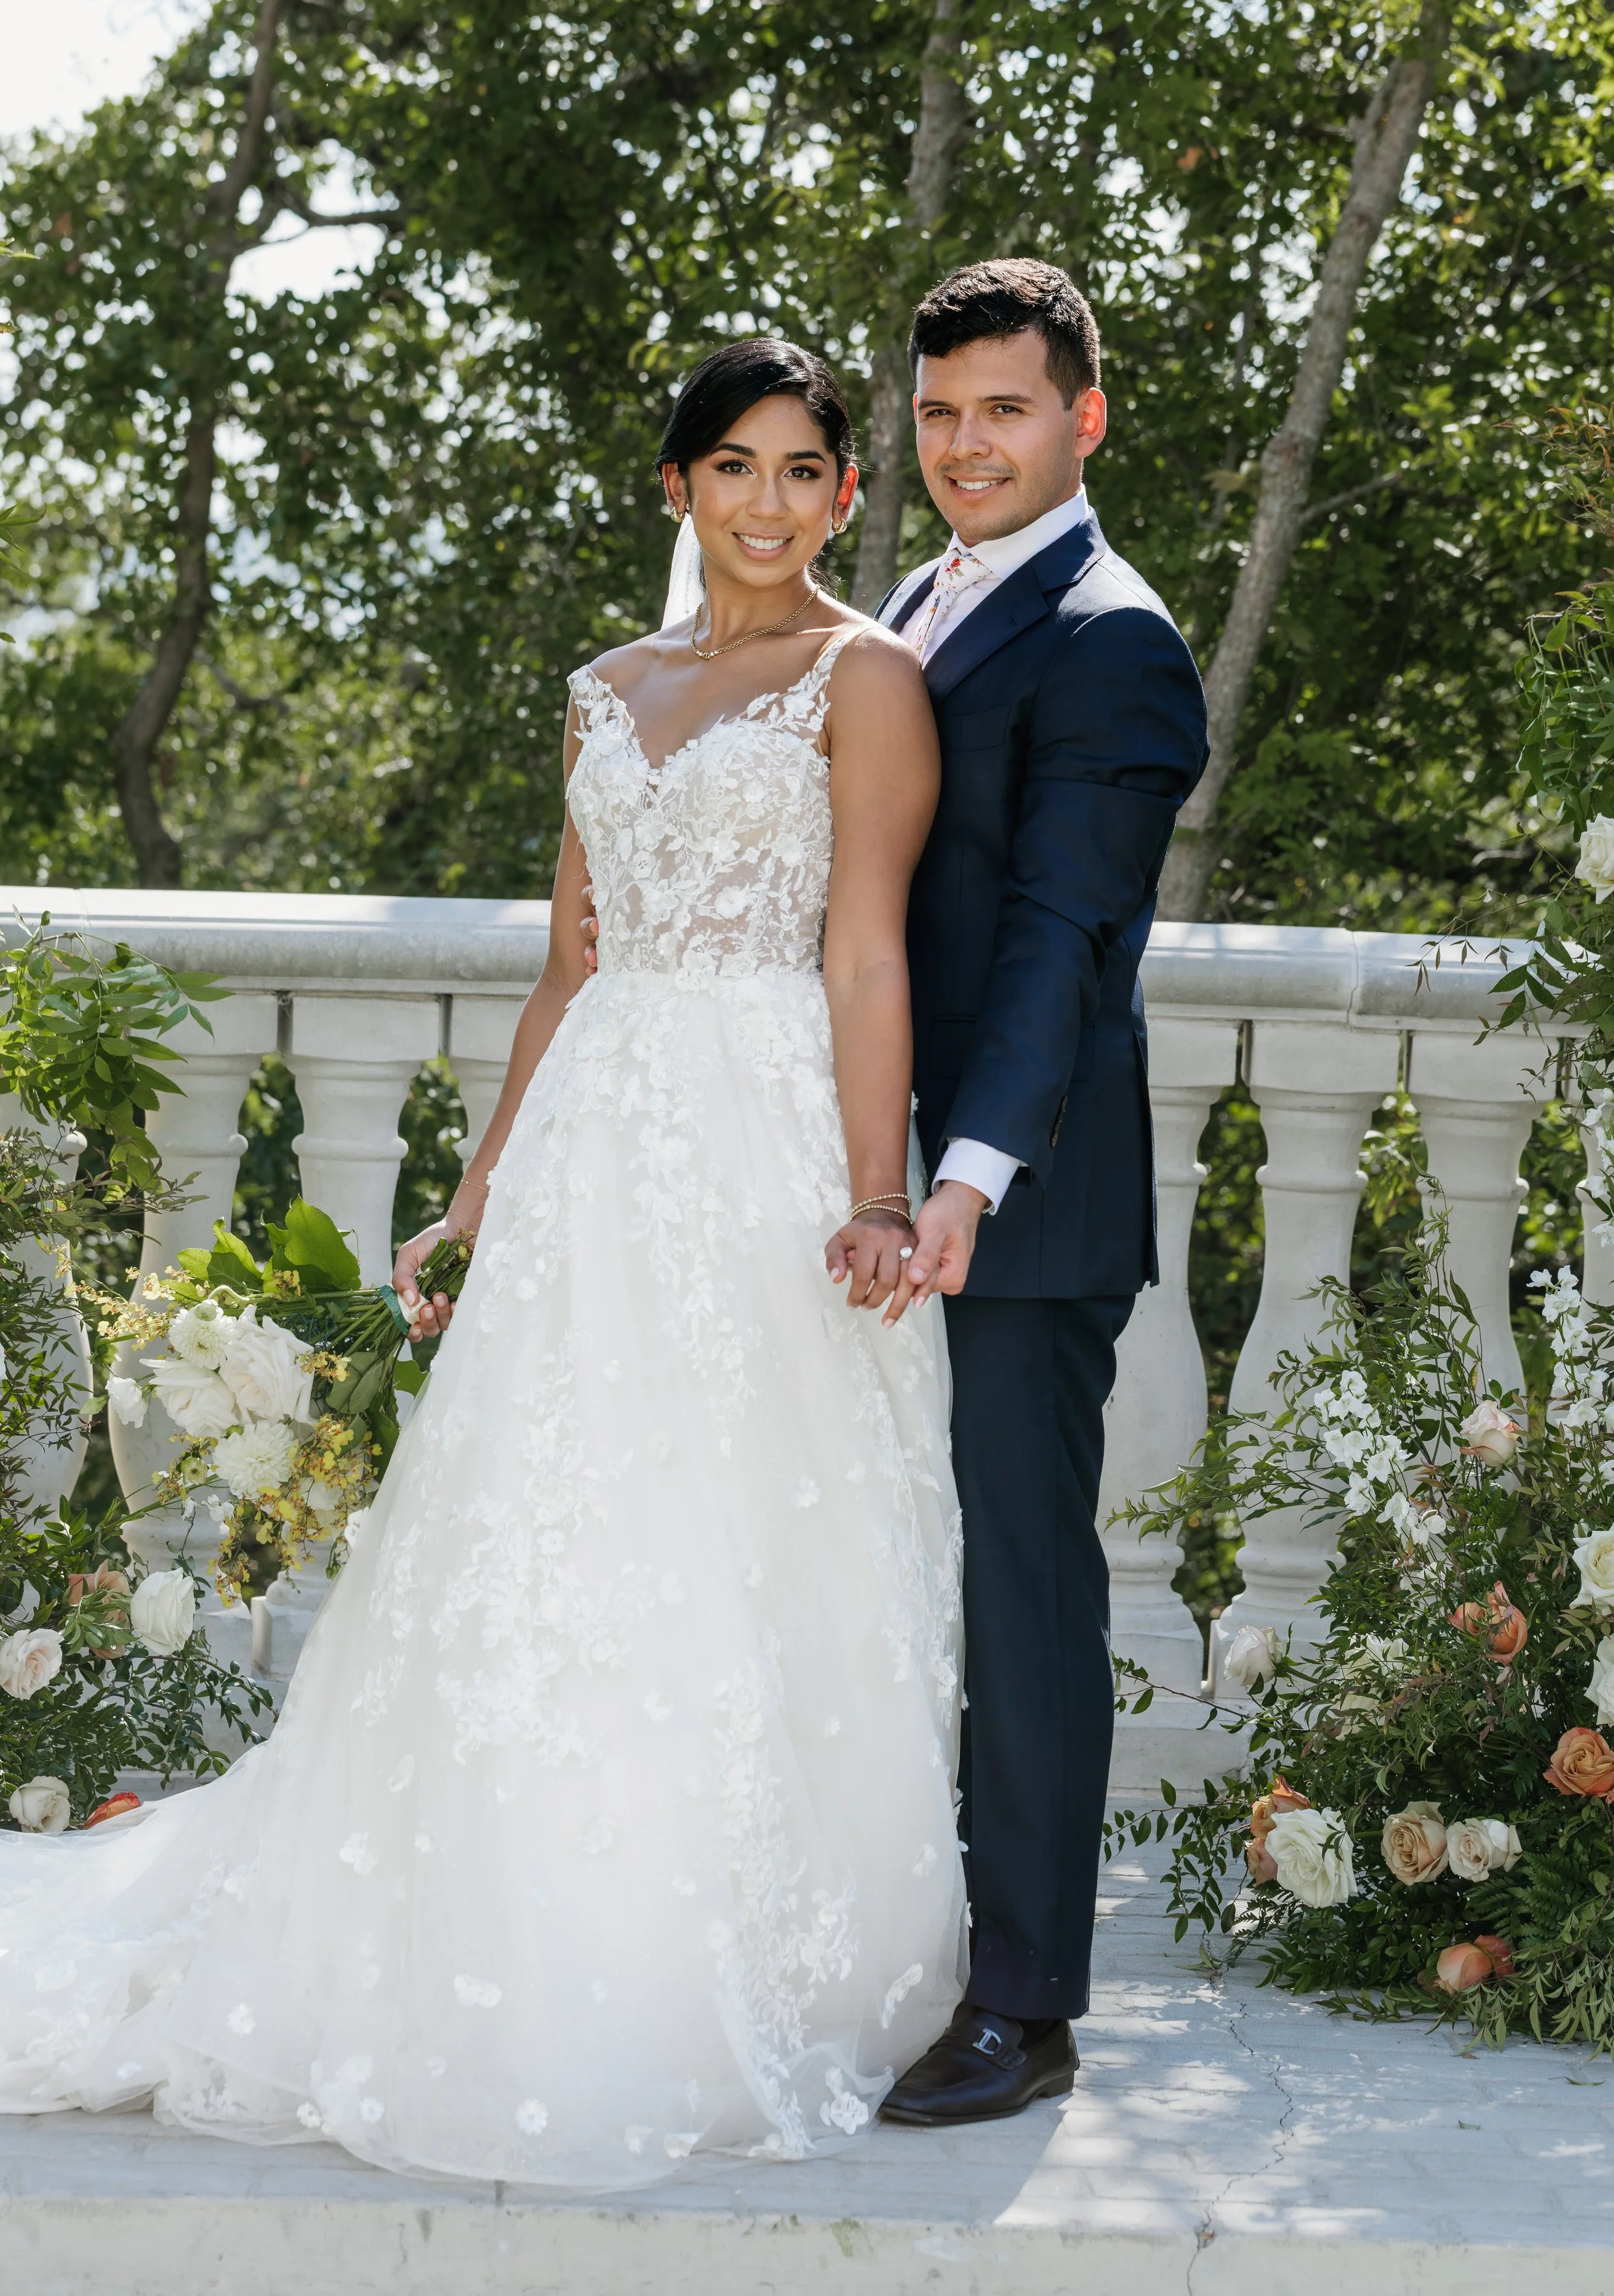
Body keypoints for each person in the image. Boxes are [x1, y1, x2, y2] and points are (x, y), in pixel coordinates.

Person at [0, 341, 968, 2185]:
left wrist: (866, 1189)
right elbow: (568, 968)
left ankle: (735, 1950)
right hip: (597, 1150)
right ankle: (512, 1907)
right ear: (675, 486)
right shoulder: (607, 690)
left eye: (805, 471)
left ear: (847, 495)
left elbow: (863, 956)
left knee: (750, 1531)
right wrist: (472, 1191)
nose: (770, 502)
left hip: (766, 1143)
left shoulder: (870, 681)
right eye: (734, 467)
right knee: (549, 1528)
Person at [868, 259, 1209, 2125]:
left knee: (1019, 1595)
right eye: (937, 413)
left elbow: (1064, 935)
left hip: (1017, 1199)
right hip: (877, 1176)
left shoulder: (1111, 634)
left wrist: (965, 1173)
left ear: (1081, 419)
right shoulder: (922, 597)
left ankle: (1026, 2002)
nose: (965, 443)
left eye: (1003, 409)